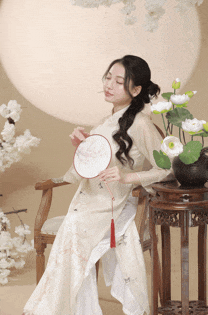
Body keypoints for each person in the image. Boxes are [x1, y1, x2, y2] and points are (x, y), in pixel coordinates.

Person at [22, 55, 173, 315]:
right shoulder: (106, 122)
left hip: (114, 204)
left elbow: (168, 168)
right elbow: (90, 168)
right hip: (89, 200)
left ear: (136, 90)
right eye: (108, 78)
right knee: (72, 229)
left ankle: (52, 308)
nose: (109, 85)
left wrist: (127, 178)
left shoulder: (141, 124)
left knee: (72, 231)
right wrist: (82, 147)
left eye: (118, 81)